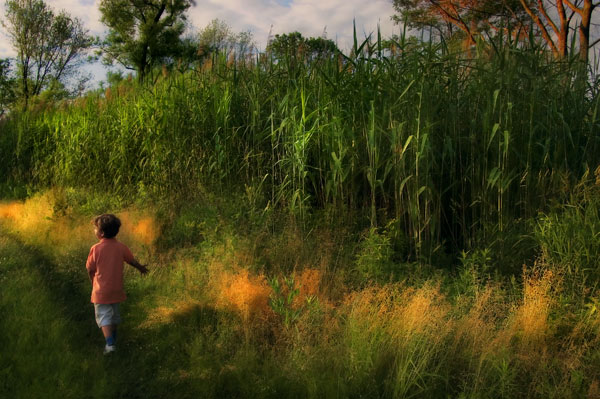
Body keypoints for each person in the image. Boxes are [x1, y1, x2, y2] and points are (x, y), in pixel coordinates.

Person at [86, 213, 148, 354]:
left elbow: (90, 268)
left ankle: (110, 344)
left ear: (101, 233)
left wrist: (92, 281)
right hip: (117, 289)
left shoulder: (95, 249)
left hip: (101, 291)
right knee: (113, 315)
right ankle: (113, 340)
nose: (94, 231)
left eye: (95, 229)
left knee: (103, 316)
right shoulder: (121, 247)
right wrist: (141, 268)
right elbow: (131, 260)